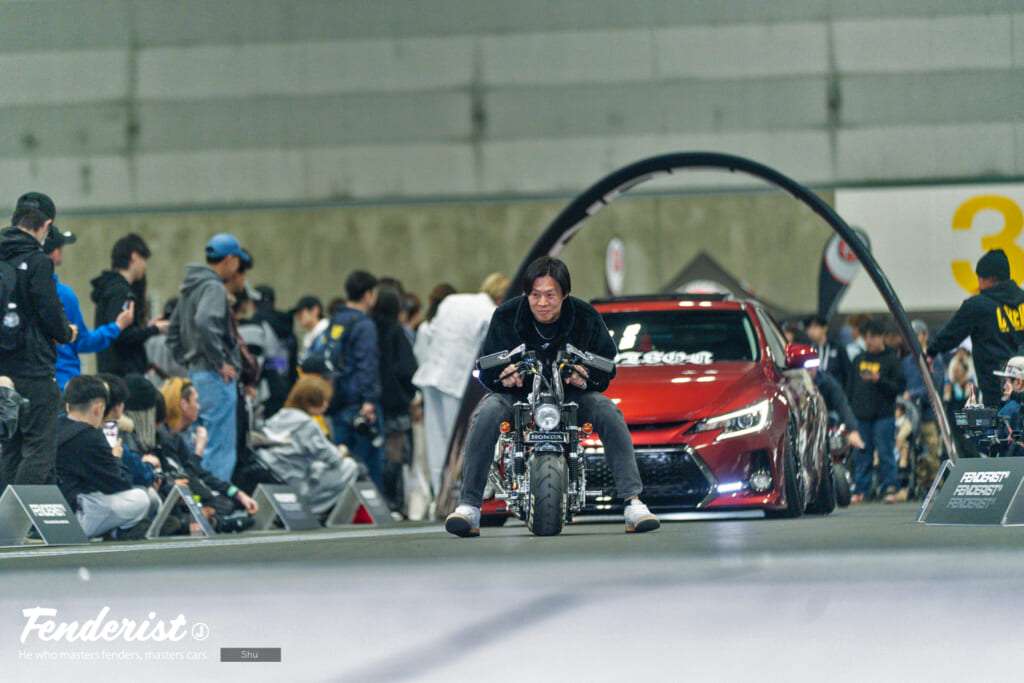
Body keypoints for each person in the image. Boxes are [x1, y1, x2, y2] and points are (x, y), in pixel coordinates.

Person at [445, 256, 659, 537]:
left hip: (571, 394)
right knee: (485, 414)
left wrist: (586, 375)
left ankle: (633, 502)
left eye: (550, 295)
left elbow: (606, 364)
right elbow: (486, 366)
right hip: (517, 394)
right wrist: (503, 375)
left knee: (608, 411)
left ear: (565, 294)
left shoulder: (585, 316)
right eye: (535, 295)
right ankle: (469, 507)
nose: (542, 303)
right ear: (526, 294)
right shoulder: (506, 316)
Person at [0, 192, 77, 488]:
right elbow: (51, 314)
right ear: (46, 225)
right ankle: (18, 523)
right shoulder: (37, 261)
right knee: (38, 449)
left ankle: (5, 528)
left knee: (10, 448)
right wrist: (67, 332)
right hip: (33, 369)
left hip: (3, 372)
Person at [413, 273, 509, 493]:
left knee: (437, 441)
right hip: (456, 380)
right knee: (466, 437)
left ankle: (440, 494)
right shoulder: (491, 313)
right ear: (503, 296)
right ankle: (477, 490)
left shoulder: (451, 301)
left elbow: (430, 332)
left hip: (431, 375)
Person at [166, 233, 245, 482]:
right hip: (214, 376)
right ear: (230, 260)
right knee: (220, 446)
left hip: (196, 376)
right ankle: (218, 507)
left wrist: (189, 359)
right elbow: (204, 321)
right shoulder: (213, 288)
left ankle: (204, 506)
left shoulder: (190, 288)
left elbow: (172, 332)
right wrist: (219, 362)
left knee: (201, 441)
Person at [55, 376, 151, 540]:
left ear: (67, 404)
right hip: (75, 516)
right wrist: (116, 458)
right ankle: (117, 531)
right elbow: (119, 483)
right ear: (98, 408)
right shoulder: (90, 437)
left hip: (48, 511)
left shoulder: (52, 426)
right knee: (141, 497)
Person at [928, 249, 1024, 407]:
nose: (978, 284)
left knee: (1002, 429)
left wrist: (930, 352)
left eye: (979, 278)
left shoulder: (977, 305)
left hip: (997, 390)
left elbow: (950, 335)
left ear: (990, 279)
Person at [257, 375, 357, 515]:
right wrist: (342, 451)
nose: (327, 404)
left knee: (316, 465)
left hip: (273, 477)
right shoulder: (306, 424)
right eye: (325, 400)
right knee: (350, 465)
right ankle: (314, 510)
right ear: (314, 401)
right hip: (294, 484)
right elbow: (333, 459)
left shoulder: (278, 416)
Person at [47, 228, 133, 389]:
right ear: (55, 253)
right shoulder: (63, 295)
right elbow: (83, 342)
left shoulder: (14, 291)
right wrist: (117, 326)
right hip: (62, 382)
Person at [159, 377, 258, 515]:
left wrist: (238, 493)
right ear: (184, 404)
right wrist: (199, 451)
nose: (199, 407)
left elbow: (202, 474)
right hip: (170, 498)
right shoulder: (163, 437)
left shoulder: (177, 437)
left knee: (225, 503)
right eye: (196, 401)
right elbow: (185, 477)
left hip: (186, 495)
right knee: (216, 502)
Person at [325, 271, 384, 488]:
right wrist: (369, 400)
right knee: (369, 461)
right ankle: (370, 511)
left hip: (336, 401)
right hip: (359, 402)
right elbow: (366, 363)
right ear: (368, 295)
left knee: (342, 459)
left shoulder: (336, 320)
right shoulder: (364, 325)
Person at [91, 233, 168, 376]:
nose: (145, 266)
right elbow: (122, 334)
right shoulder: (121, 292)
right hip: (124, 374)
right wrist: (155, 329)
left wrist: (148, 327)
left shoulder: (109, 288)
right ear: (135, 257)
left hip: (112, 370)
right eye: (144, 259)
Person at [847, 318, 906, 504]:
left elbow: (898, 387)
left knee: (885, 452)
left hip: (884, 416)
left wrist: (878, 379)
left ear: (882, 338)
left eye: (873, 337)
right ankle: (860, 489)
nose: (869, 341)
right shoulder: (859, 360)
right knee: (861, 455)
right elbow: (850, 387)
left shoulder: (891, 360)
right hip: (861, 416)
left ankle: (890, 487)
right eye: (866, 337)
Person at [373, 284, 418, 511]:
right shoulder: (396, 331)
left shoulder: (369, 328)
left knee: (376, 453)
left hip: (373, 402)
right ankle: (394, 503)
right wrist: (409, 394)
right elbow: (407, 369)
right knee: (396, 453)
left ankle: (374, 500)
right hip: (396, 404)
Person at [902, 319, 946, 491]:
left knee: (933, 451)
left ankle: (937, 486)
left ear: (924, 335)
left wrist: (914, 393)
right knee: (911, 448)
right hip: (910, 413)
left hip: (929, 414)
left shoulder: (935, 359)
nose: (911, 338)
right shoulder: (906, 362)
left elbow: (936, 385)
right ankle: (919, 484)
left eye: (915, 334)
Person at [804, 315, 852, 394]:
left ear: (824, 328)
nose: (811, 331)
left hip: (836, 393)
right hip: (815, 393)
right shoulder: (807, 350)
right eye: (808, 328)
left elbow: (848, 373)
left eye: (815, 327)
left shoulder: (837, 348)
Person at [293, 295, 327, 364]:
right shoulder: (308, 335)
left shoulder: (326, 330)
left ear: (315, 310)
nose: (298, 317)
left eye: (300, 313)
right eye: (297, 314)